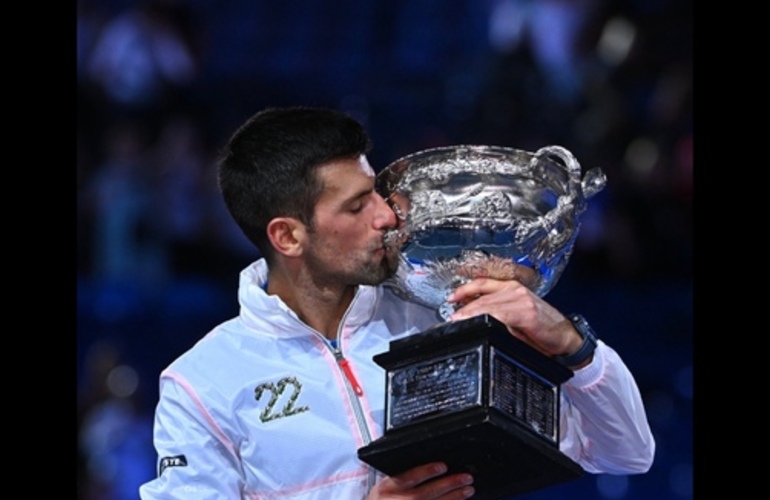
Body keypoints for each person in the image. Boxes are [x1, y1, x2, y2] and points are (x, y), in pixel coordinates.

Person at [139, 106, 654, 499]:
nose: (387, 216)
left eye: (377, 193)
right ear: (288, 237)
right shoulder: (202, 383)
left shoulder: (446, 315)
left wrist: (571, 342)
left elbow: (627, 451)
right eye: (358, 205)